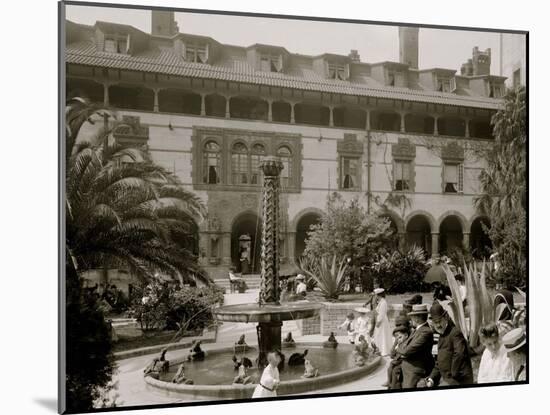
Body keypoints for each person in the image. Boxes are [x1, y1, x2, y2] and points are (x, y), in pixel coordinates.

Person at [426, 302, 473, 387]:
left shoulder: (454, 333)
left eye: (439, 321)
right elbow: (439, 362)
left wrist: (452, 375)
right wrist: (431, 379)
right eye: (435, 322)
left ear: (445, 318)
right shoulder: (441, 335)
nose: (438, 325)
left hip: (459, 380)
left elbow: (459, 354)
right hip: (447, 379)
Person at [396, 304, 434, 389]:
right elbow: (406, 346)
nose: (411, 319)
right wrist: (402, 348)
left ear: (417, 318)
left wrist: (398, 347)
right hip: (410, 365)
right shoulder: (418, 330)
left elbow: (406, 350)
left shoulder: (425, 332)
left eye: (412, 317)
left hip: (416, 369)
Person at [387, 324, 411, 389]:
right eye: (396, 338)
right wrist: (395, 344)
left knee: (395, 371)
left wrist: (395, 361)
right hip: (398, 362)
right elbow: (392, 355)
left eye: (400, 337)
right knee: (390, 369)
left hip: (405, 362)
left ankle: (395, 386)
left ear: (406, 335)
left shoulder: (407, 343)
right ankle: (390, 384)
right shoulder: (399, 344)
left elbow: (403, 355)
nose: (398, 339)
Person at [373, 288, 392, 356]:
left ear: (378, 295)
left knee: (382, 334)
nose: (375, 296)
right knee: (379, 335)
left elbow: (382, 313)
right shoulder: (381, 302)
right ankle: (380, 349)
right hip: (381, 319)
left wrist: (378, 322)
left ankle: (384, 350)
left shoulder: (383, 302)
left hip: (382, 321)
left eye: (375, 295)